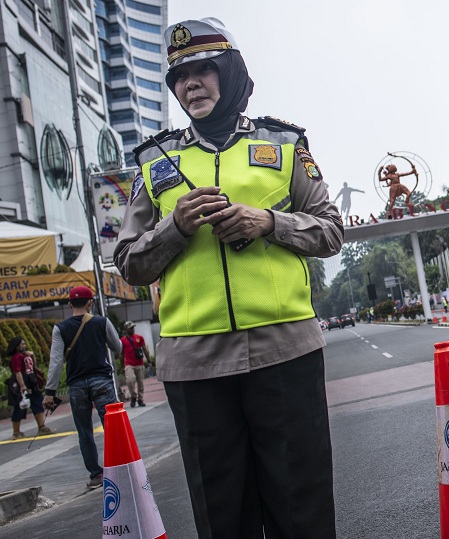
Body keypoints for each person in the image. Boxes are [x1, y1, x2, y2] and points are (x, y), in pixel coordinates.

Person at [113, 18, 343, 539]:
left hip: (285, 353)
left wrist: (268, 222)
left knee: (301, 508)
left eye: (202, 70)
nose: (190, 83)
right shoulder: (153, 162)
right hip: (194, 366)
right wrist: (175, 227)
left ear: (230, 73)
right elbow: (128, 262)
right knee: (222, 517)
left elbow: (331, 230)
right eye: (179, 76)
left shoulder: (284, 144)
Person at [44, 286, 122, 489]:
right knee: (112, 426)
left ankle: (96, 475)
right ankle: (121, 468)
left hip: (77, 385)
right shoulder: (101, 322)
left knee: (84, 431)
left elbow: (55, 362)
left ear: (70, 304)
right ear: (91, 302)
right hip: (102, 381)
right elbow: (118, 348)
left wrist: (49, 392)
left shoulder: (60, 329)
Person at [6, 337, 53, 440]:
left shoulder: (25, 355)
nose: (24, 345)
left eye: (24, 343)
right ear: (16, 346)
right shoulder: (16, 358)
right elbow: (17, 372)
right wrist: (22, 386)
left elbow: (32, 366)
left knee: (38, 403)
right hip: (22, 383)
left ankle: (42, 427)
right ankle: (16, 432)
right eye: (21, 344)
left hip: (32, 383)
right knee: (19, 407)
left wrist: (32, 355)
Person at [120, 321, 151, 407]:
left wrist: (149, 361)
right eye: (131, 328)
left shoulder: (139, 338)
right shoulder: (122, 340)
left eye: (133, 327)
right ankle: (133, 397)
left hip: (139, 363)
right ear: (126, 329)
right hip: (129, 364)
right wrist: (122, 366)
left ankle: (140, 399)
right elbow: (121, 354)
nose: (133, 329)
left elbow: (145, 349)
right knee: (130, 380)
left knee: (140, 382)